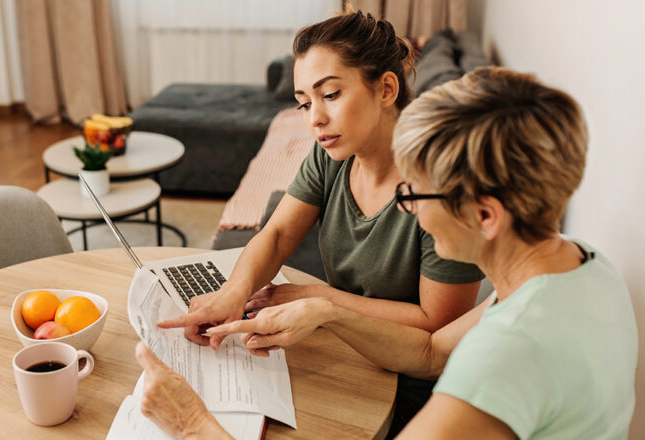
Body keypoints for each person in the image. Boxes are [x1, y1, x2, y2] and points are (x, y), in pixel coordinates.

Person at [137, 66, 638, 439]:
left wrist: (192, 423)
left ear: (486, 216)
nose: (410, 210)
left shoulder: (507, 357)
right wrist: (325, 310)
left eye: (417, 193)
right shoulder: (581, 262)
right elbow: (433, 352)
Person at [159, 10, 484, 430]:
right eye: (304, 102)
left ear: (386, 88)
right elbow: (276, 235)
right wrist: (235, 291)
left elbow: (436, 331)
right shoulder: (332, 155)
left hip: (413, 389)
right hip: (341, 344)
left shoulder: (441, 190)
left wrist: (322, 300)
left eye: (330, 95)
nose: (313, 118)